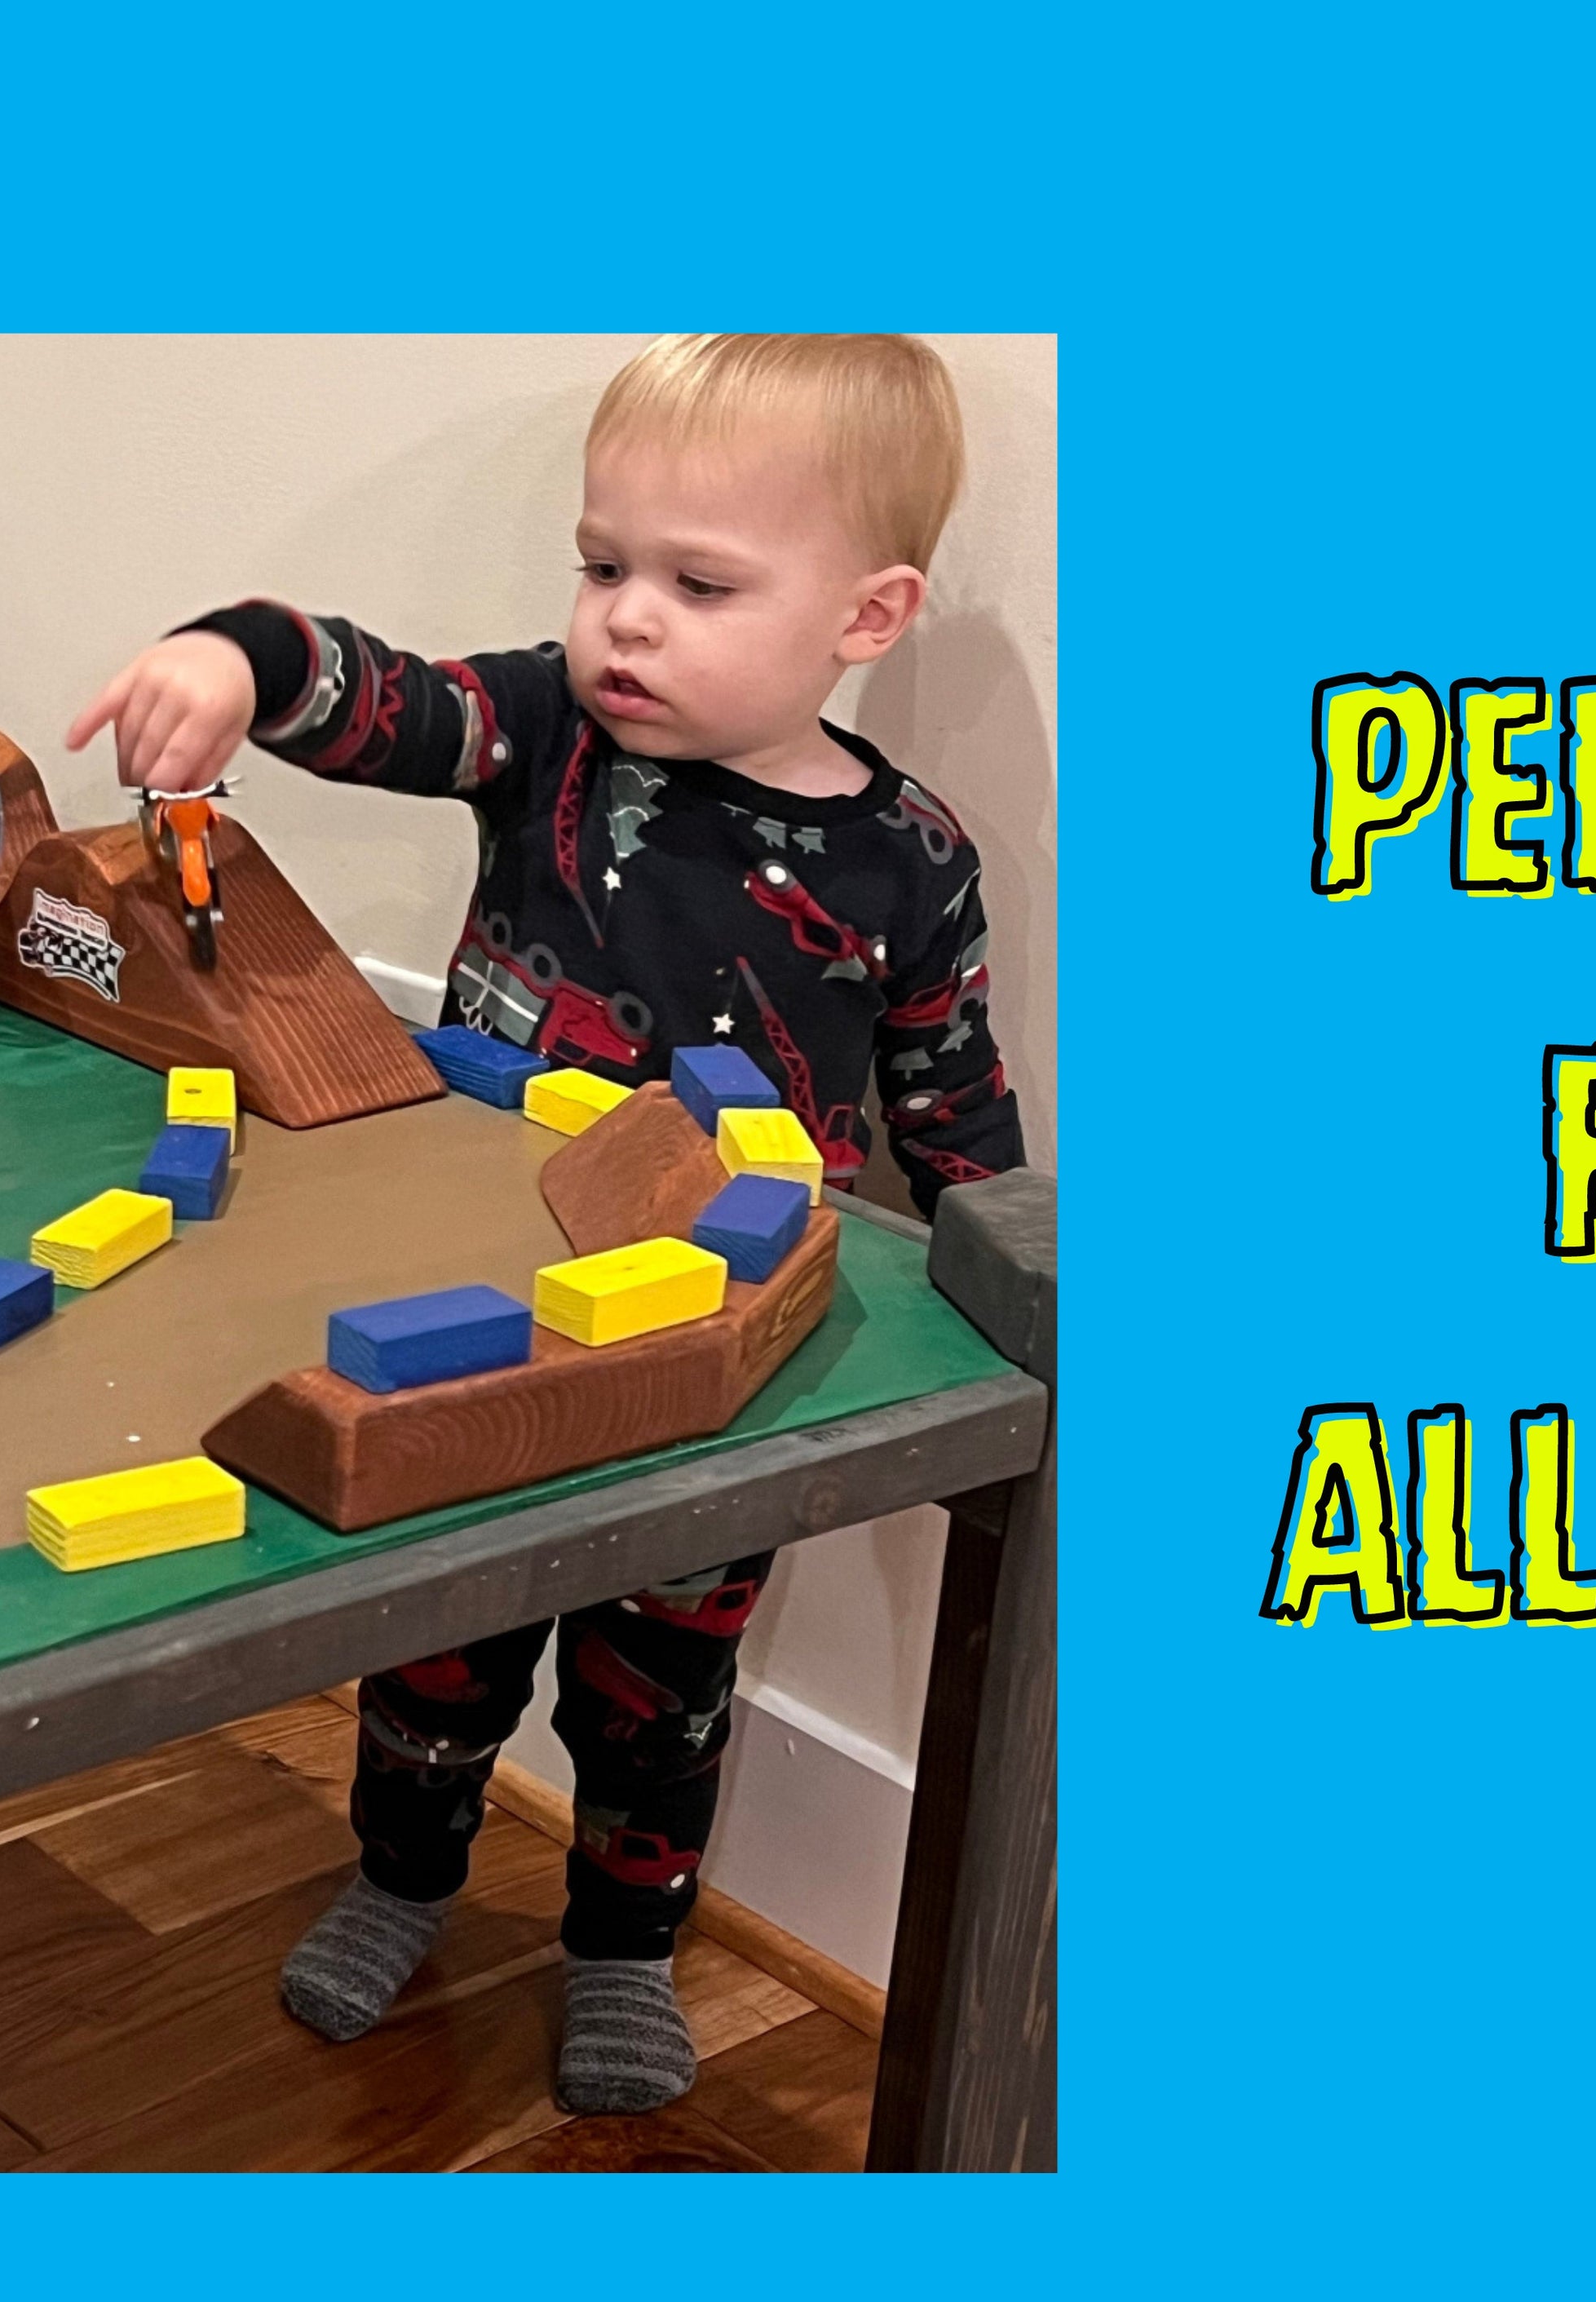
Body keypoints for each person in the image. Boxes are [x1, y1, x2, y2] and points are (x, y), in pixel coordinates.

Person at [64, 334, 1025, 2114]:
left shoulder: (911, 858)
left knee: (662, 1683)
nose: (625, 621)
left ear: (867, 615)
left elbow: (950, 1113)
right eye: (602, 566)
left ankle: (620, 1950)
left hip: (706, 1355)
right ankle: (403, 1874)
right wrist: (235, 656)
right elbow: (379, 696)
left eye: (698, 582)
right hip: (477, 1305)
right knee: (437, 1645)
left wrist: (1012, 1308)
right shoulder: (549, 741)